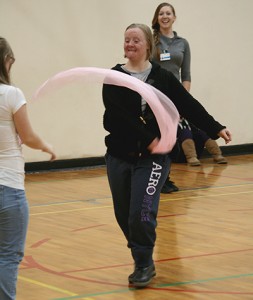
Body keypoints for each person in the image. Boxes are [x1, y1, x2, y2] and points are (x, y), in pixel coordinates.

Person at [102, 23, 231, 288]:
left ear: (148, 45)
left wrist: (215, 127)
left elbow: (188, 105)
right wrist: (150, 138)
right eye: (127, 40)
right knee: (124, 213)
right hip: (120, 155)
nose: (130, 44)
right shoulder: (113, 77)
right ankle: (140, 249)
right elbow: (116, 118)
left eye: (136, 40)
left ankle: (143, 262)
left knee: (142, 212)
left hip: (154, 158)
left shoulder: (162, 77)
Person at [0, 37, 56, 300]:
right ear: (6, 62)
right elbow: (29, 136)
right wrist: (46, 146)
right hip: (8, 188)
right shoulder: (11, 94)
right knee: (9, 255)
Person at [151, 2, 227, 167]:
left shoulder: (183, 43)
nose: (165, 16)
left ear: (174, 18)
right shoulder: (151, 41)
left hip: (176, 93)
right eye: (161, 13)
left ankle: (169, 172)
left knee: (182, 127)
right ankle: (161, 172)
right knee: (160, 133)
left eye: (168, 13)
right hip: (156, 94)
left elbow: (186, 75)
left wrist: (183, 99)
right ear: (157, 18)